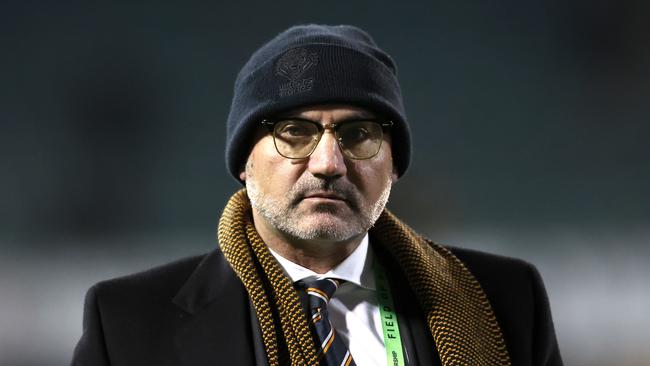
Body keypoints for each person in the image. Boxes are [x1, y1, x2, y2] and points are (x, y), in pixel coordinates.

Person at [71, 24, 563, 366]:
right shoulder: (129, 324)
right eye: (293, 132)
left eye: (359, 134)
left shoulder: (507, 301)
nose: (328, 163)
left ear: (394, 164)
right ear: (244, 160)